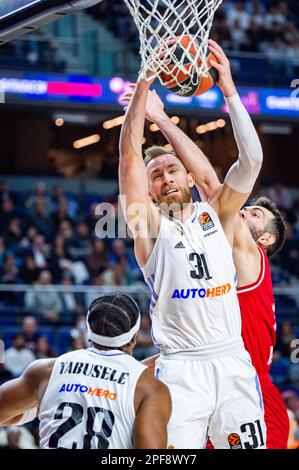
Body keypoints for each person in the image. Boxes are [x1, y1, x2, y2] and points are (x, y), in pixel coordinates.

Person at [122, 41, 290, 449]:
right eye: (156, 175)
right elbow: (128, 162)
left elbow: (249, 162)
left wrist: (229, 90)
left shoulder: (218, 215)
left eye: (172, 169)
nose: (165, 177)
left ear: (189, 178)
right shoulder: (148, 227)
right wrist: (144, 84)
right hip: (181, 369)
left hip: (234, 363)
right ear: (148, 188)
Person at [0, 294, 171, 449]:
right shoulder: (149, 388)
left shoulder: (46, 371)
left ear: (89, 331)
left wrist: (41, 406)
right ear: (134, 337)